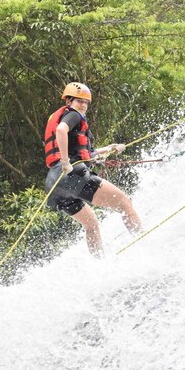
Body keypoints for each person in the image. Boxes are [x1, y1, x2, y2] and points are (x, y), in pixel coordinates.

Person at [44, 82, 142, 257]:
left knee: (91, 225)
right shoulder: (73, 116)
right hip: (71, 174)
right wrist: (66, 161)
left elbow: (86, 153)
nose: (83, 105)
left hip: (55, 183)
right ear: (69, 101)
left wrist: (109, 148)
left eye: (86, 102)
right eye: (79, 101)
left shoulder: (65, 117)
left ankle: (99, 263)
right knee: (125, 203)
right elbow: (60, 131)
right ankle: (143, 242)